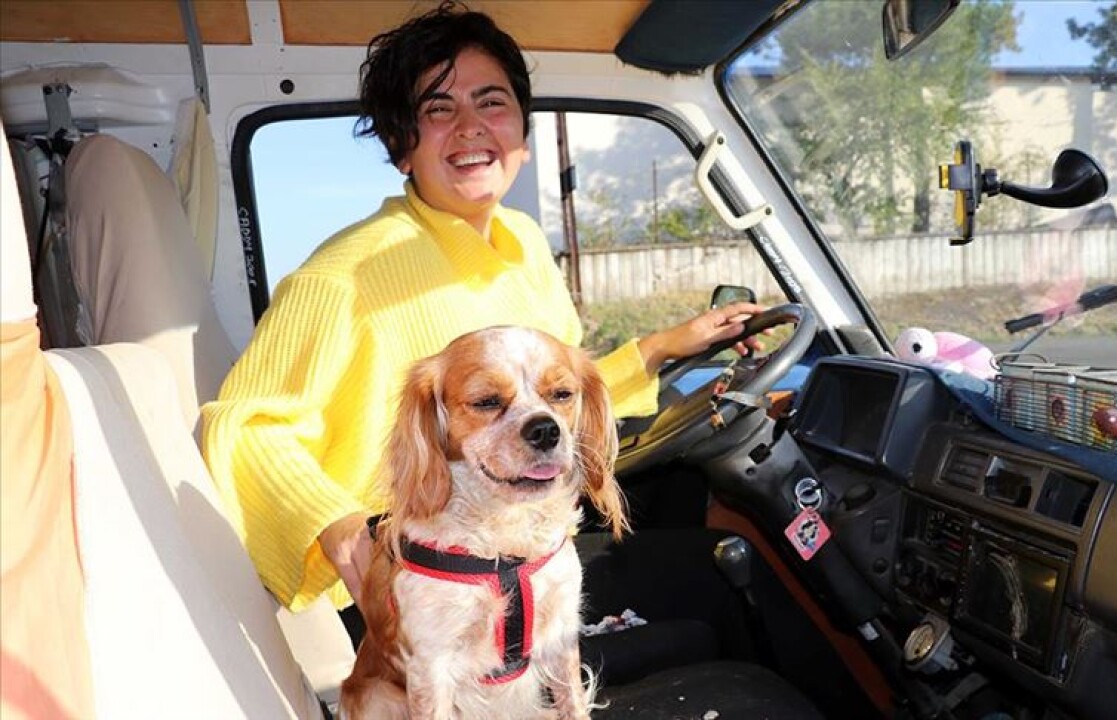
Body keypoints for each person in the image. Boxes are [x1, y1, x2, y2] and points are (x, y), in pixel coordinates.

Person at [201, 1, 769, 647]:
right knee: (720, 581)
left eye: (491, 102)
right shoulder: (345, 276)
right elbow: (244, 428)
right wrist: (338, 527)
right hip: (422, 579)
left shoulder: (520, 241)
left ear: (522, 136)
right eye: (439, 109)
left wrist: (662, 347)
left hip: (517, 536)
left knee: (701, 553)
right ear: (402, 147)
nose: (470, 127)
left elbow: (542, 405)